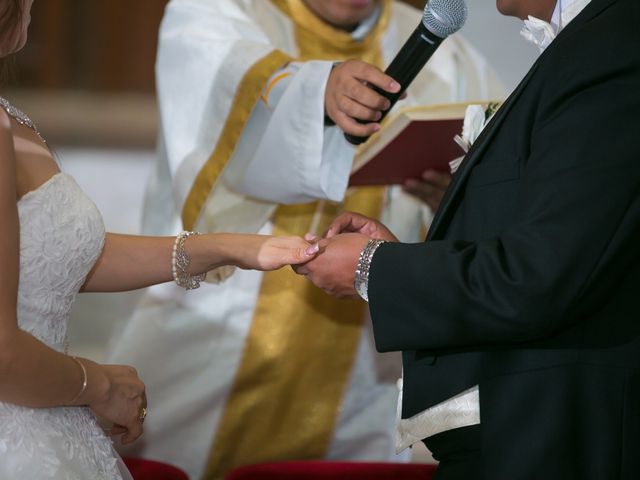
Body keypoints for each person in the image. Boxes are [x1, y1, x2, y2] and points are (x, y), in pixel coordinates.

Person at [106, 0, 504, 478]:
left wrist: (452, 196)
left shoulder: (440, 49)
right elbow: (217, 100)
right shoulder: (217, 12)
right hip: (217, 328)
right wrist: (318, 92)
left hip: (360, 351)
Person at [295, 0, 640, 478]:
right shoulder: (591, 43)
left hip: (558, 435)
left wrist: (373, 268)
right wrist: (401, 258)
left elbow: (541, 275)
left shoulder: (613, 44)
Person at [0, 1, 315, 478]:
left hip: (46, 412)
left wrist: (224, 246)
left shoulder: (10, 118)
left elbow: (52, 258)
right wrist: (100, 385)